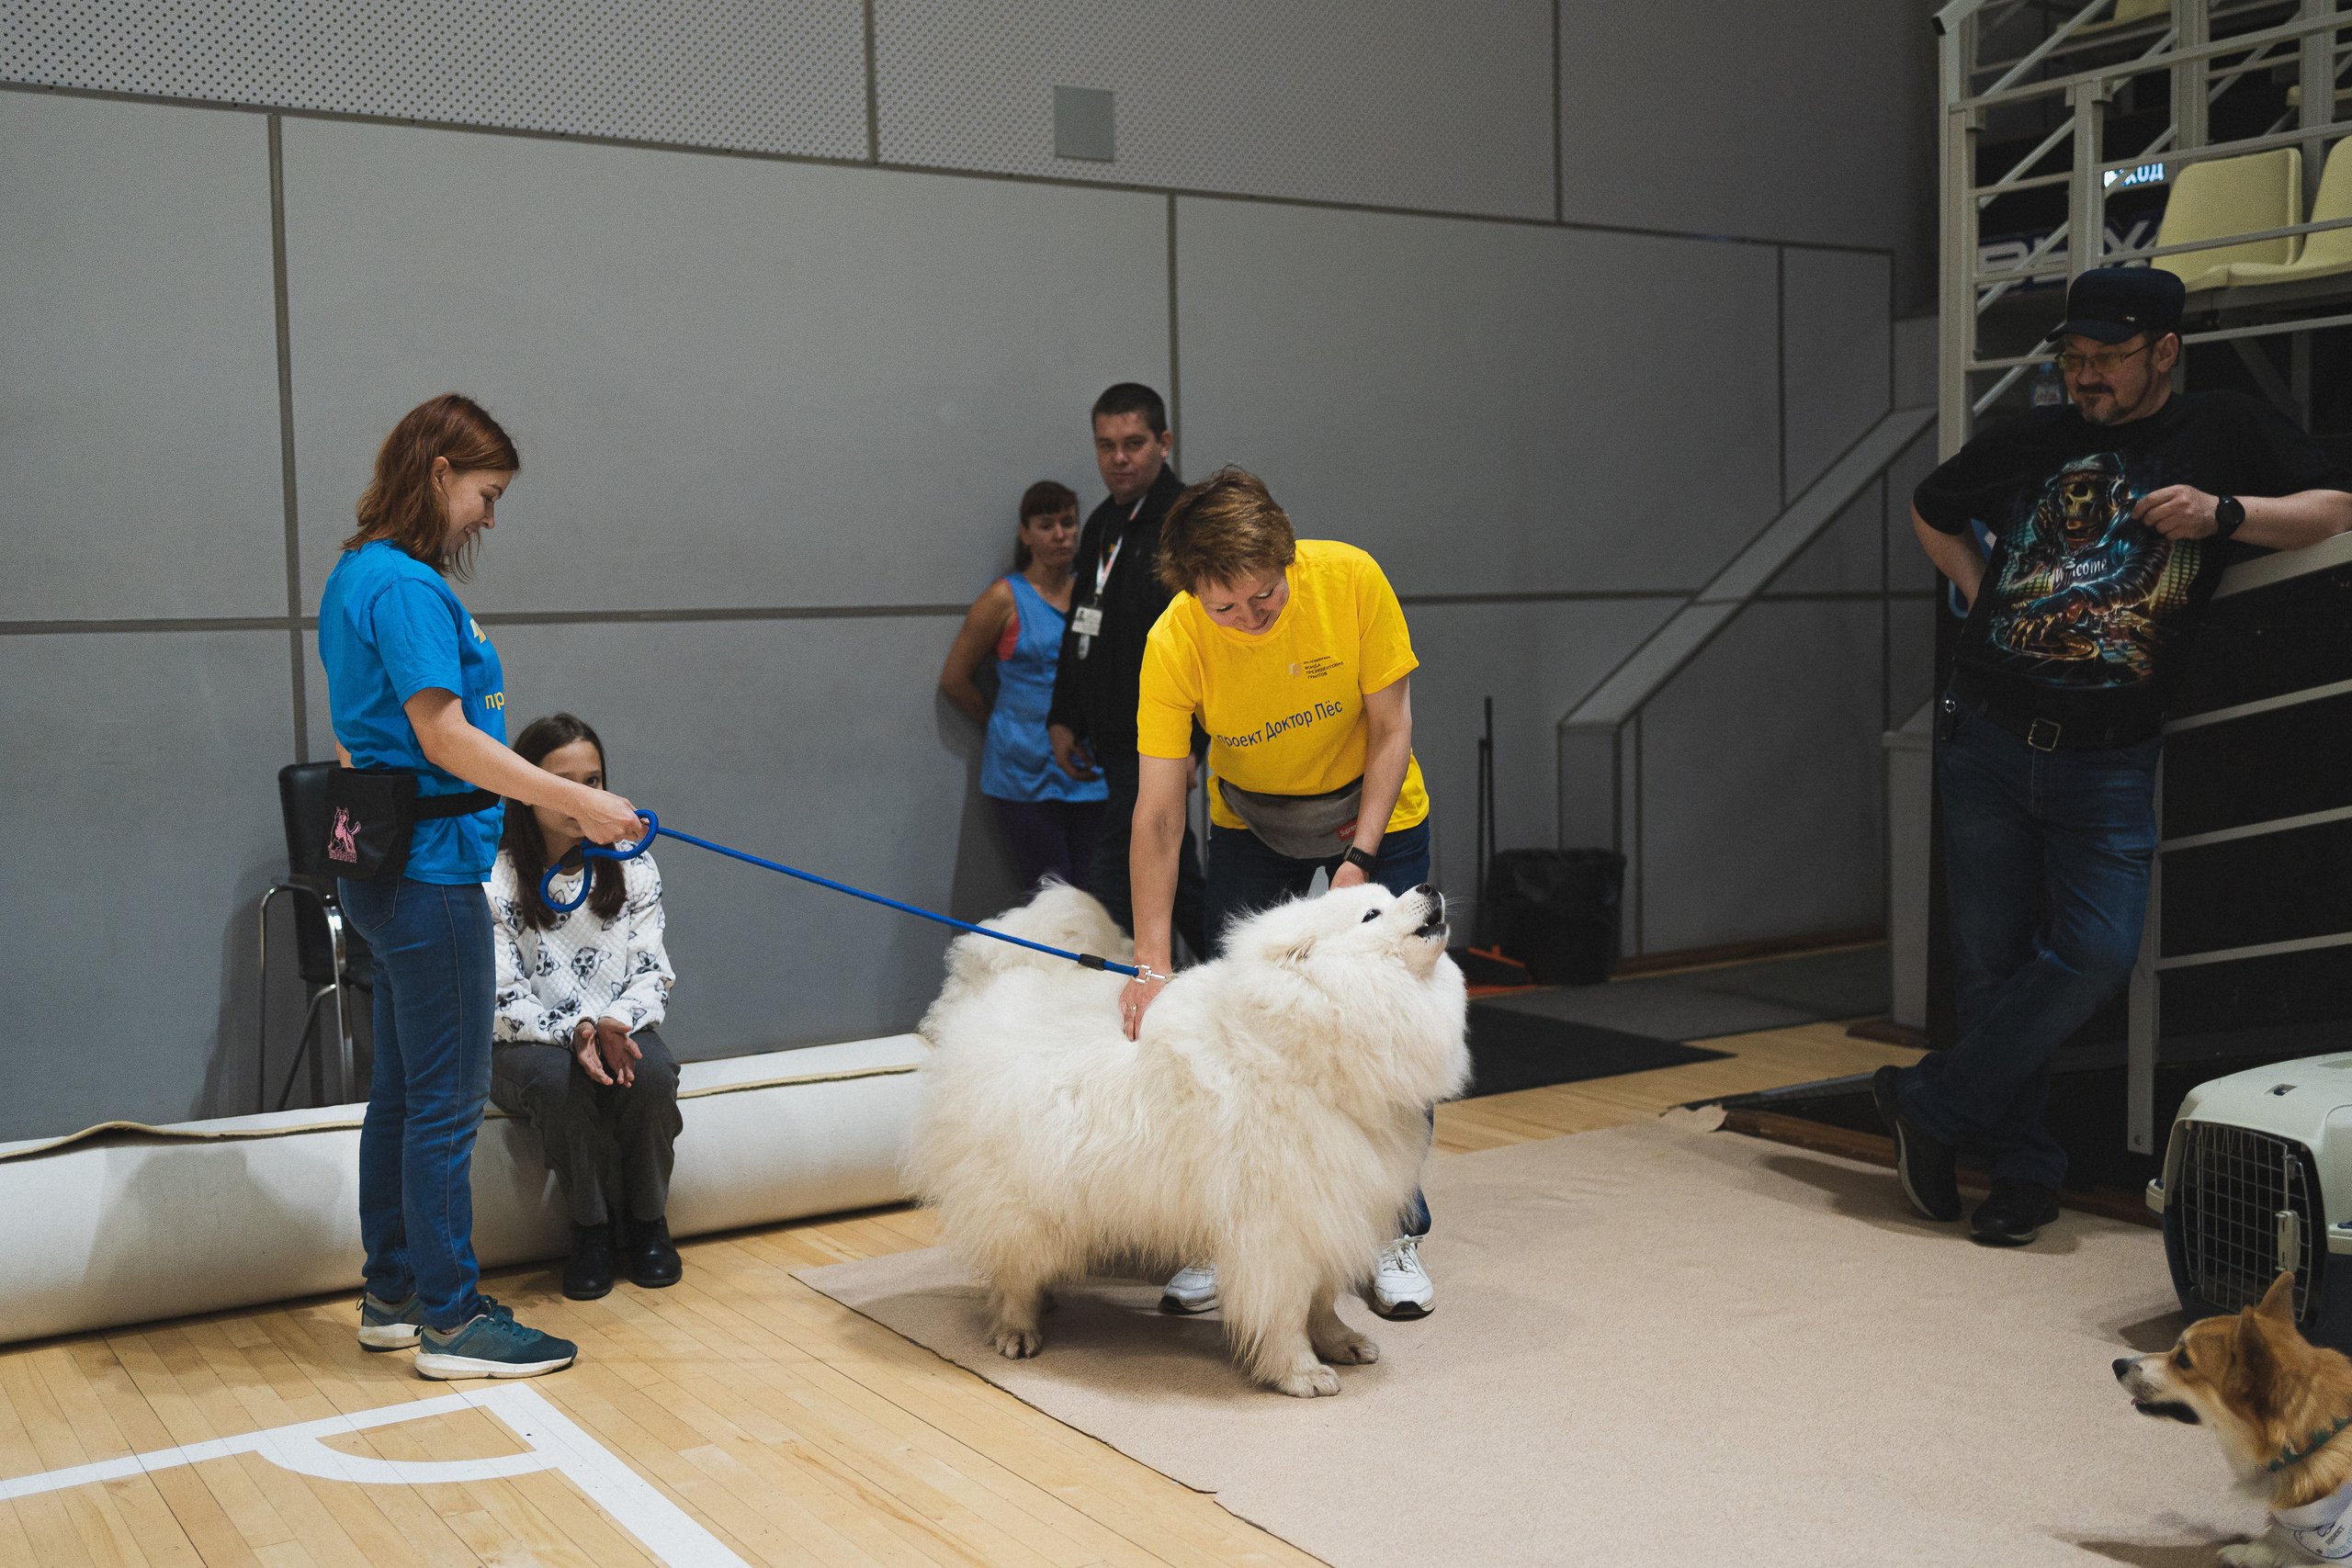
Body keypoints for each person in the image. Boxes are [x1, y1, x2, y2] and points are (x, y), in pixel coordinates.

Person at [1880, 266, 2352, 1246]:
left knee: (2093, 952)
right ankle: (2020, 1169)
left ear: (2165, 353)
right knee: (1990, 966)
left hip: (2107, 753)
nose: (2085, 378)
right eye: (2072, 357)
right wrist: (1973, 587)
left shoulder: (2221, 425)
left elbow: (2331, 507)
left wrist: (2223, 516)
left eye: (2107, 359)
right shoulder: (2036, 435)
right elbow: (1931, 503)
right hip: (1987, 736)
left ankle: (1929, 1104)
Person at [322, 393, 643, 1380]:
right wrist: (577, 805)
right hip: (426, 882)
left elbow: (360, 737)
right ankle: (453, 1319)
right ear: (437, 474)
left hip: (381, 874)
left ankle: (396, 1292)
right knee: (445, 1108)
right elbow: (445, 735)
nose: (489, 520)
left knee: (401, 1095)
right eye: (484, 495)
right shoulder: (410, 588)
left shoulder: (355, 574)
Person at [1118, 466, 1441, 1320]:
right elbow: (1157, 813)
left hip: (1373, 808)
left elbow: (1392, 727)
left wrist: (1361, 859)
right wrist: (1151, 962)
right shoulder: (1173, 641)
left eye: (1265, 598)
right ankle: (1230, 1230)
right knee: (1231, 1029)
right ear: (1192, 591)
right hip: (1253, 819)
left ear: (1288, 559)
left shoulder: (1353, 581)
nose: (1249, 620)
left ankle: (1390, 1227)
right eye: (1225, 608)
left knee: (1394, 1031)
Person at [487, 714, 683, 1302]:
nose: (583, 795)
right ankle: (591, 1230)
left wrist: (615, 1022)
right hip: (529, 1043)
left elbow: (653, 971)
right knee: (557, 1082)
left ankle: (648, 1224)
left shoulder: (633, 864)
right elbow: (500, 999)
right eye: (563, 782)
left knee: (651, 1075)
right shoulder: (494, 879)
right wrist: (575, 1031)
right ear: (527, 790)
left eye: (593, 782)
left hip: (617, 1024)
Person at [1046, 383, 1208, 958]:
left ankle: (1097, 991)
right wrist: (1063, 716)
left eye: (1133, 443)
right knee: (1178, 879)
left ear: (1164, 443)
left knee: (1114, 880)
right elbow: (1079, 625)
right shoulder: (1101, 527)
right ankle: (1230, 977)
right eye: (1106, 445)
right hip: (1112, 736)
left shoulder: (1188, 524)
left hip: (1161, 739)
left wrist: (1196, 743)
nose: (1118, 458)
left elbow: (1216, 641)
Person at [939, 481, 1110, 890]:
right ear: (1025, 534)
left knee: (1096, 899)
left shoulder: (1093, 594)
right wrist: (1002, 723)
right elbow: (954, 679)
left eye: (1068, 523)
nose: (1060, 534)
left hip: (1090, 770)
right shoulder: (1004, 598)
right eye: (1046, 525)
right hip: (1024, 772)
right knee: (1051, 900)